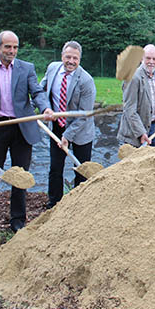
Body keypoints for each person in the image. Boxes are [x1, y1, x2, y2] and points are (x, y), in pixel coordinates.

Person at [0, 31, 53, 236]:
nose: (12, 51)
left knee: (21, 176)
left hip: (22, 129)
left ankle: (17, 220)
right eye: (8, 47)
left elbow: (37, 92)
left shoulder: (27, 69)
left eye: (15, 47)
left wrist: (44, 109)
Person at [40, 41, 96, 209]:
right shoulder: (52, 69)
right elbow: (40, 91)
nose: (71, 61)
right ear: (62, 56)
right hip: (56, 126)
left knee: (81, 167)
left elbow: (84, 115)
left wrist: (67, 136)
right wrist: (45, 108)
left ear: (80, 59)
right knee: (55, 167)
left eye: (75, 58)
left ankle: (78, 205)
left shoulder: (86, 81)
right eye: (68, 57)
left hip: (81, 130)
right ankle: (54, 204)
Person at [117, 44, 155, 147]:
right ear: (141, 59)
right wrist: (141, 133)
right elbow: (129, 109)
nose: (151, 62)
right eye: (148, 58)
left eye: (154, 59)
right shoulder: (133, 77)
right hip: (135, 133)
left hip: (154, 130)